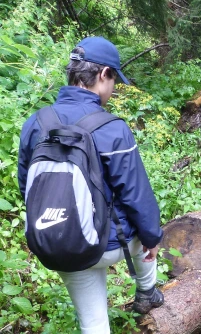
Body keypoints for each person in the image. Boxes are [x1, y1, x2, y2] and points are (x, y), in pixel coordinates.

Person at [18, 37, 164, 334]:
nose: (112, 90)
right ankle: (147, 291)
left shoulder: (36, 123)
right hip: (109, 246)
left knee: (94, 325)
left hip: (57, 242)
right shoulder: (112, 127)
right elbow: (136, 194)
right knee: (147, 235)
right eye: (114, 80)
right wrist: (153, 236)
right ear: (102, 75)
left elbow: (27, 187)